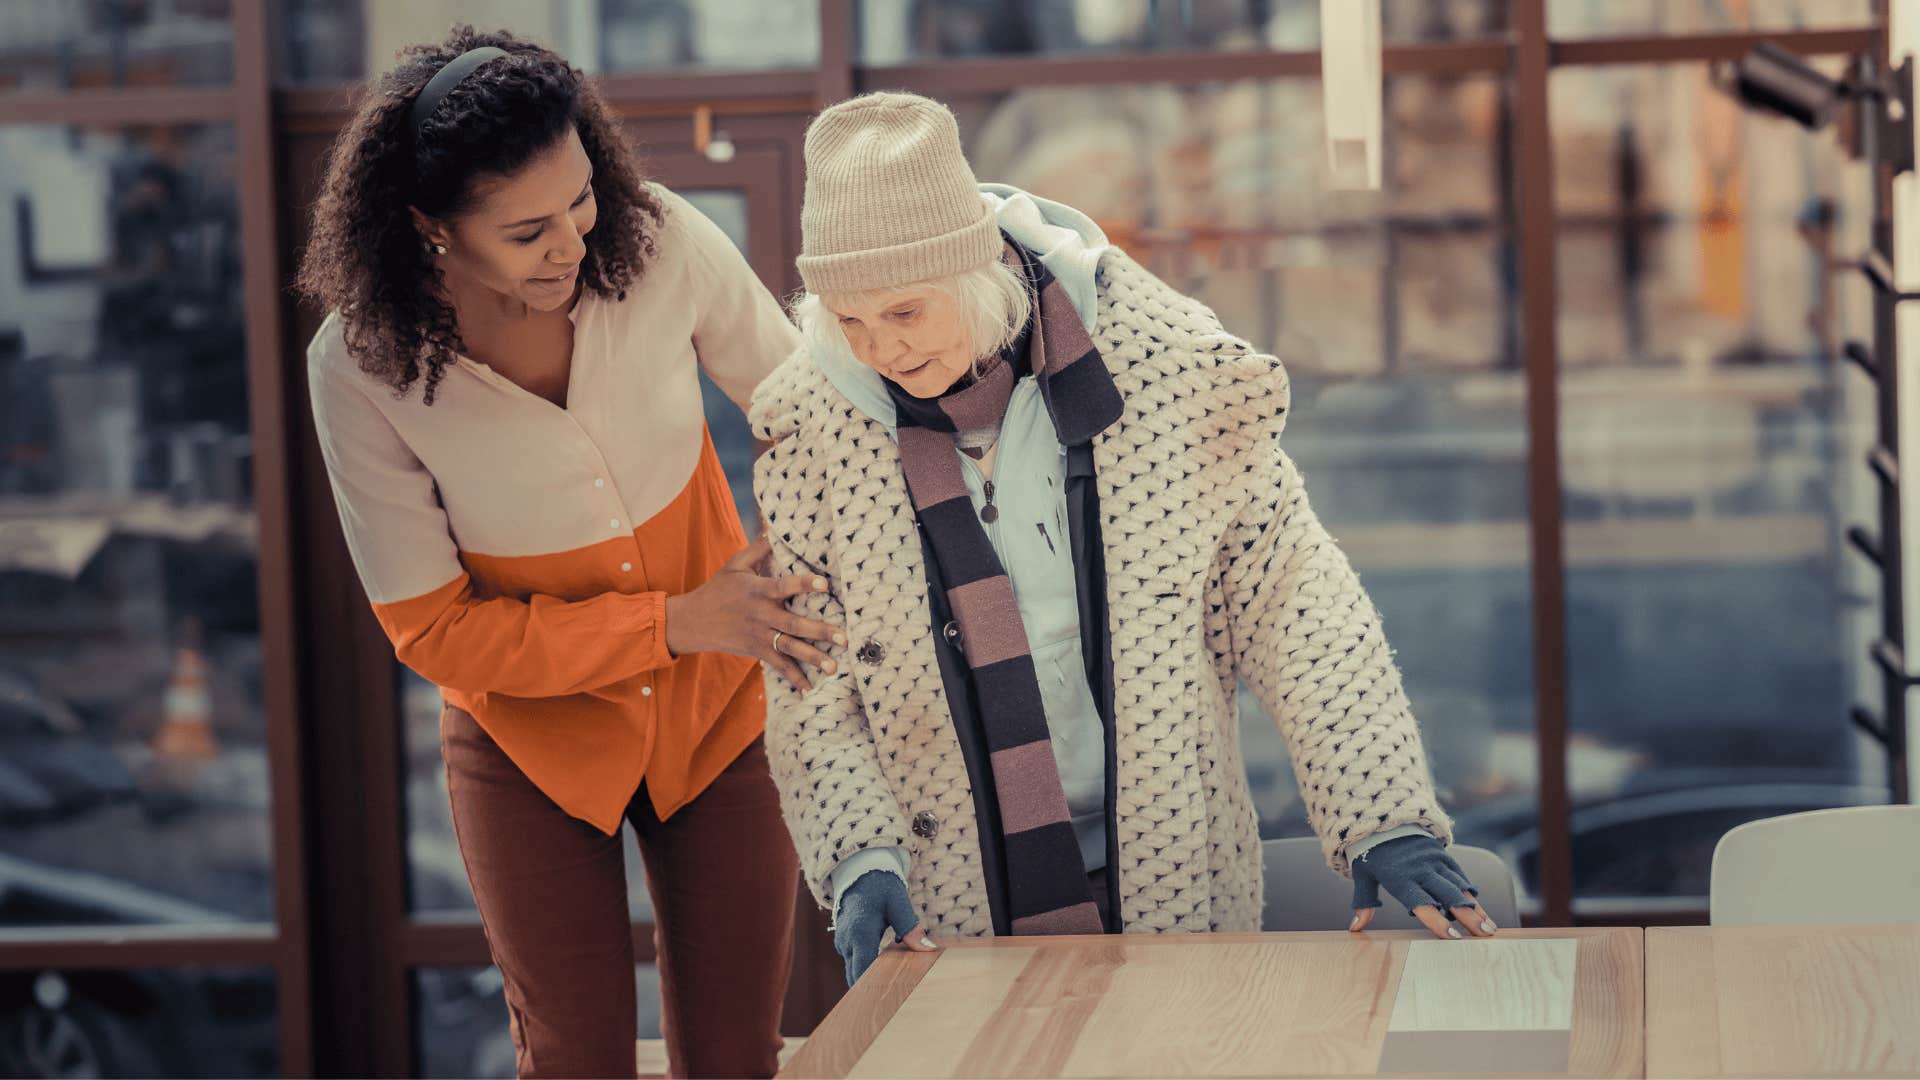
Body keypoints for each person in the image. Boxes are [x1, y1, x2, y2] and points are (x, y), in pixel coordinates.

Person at [751, 92, 1495, 985]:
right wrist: (857, 856)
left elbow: (1295, 598)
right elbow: (811, 675)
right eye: (850, 321)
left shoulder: (1170, 371)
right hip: (946, 887)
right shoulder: (811, 431)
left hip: (1170, 854)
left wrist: (1383, 814)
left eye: (906, 313)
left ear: (976, 275)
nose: (880, 349)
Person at [296, 26, 837, 1077]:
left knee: (734, 1057)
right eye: (527, 229)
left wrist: (802, 565)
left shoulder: (663, 240)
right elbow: (432, 630)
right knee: (574, 1055)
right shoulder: (358, 369)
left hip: (718, 719)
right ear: (429, 228)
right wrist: (674, 623)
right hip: (529, 755)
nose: (573, 242)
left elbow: (805, 410)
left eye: (582, 197)